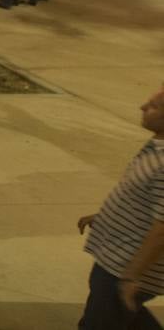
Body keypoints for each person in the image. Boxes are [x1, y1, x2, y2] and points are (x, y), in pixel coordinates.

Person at [76, 84, 164, 328]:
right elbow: (142, 198)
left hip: (125, 267)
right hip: (116, 258)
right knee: (124, 320)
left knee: (99, 324)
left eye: (153, 106)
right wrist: (103, 216)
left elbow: (162, 230)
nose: (142, 107)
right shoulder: (156, 146)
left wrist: (131, 277)